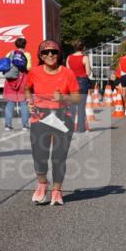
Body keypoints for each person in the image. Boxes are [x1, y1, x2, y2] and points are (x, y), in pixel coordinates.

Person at [24, 40, 80, 205]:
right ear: (40, 55)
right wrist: (29, 101)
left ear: (59, 54)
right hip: (40, 116)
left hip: (63, 117)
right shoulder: (34, 72)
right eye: (46, 52)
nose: (50, 55)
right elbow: (27, 88)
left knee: (58, 157)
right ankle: (42, 183)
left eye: (54, 52)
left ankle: (57, 190)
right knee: (39, 155)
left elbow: (77, 98)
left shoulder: (67, 73)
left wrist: (63, 98)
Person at [2, 37, 31, 131]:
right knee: (23, 103)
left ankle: (7, 125)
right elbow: (28, 68)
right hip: (22, 79)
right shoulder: (27, 54)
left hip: (11, 79)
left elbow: (5, 65)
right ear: (25, 45)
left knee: (10, 103)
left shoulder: (10, 53)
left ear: (16, 45)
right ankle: (25, 125)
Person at [65, 41, 92, 133]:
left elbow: (68, 72)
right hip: (82, 82)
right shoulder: (85, 58)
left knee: (72, 106)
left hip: (72, 82)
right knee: (81, 106)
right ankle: (81, 128)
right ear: (83, 48)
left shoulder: (69, 57)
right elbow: (88, 73)